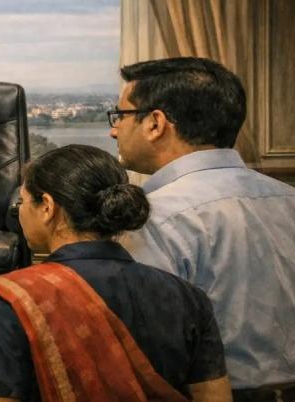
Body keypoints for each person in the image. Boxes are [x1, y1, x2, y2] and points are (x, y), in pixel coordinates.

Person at [0, 144, 230, 402]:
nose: (19, 212)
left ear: (47, 207)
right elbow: (214, 396)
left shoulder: (10, 302)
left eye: (22, 201)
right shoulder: (189, 299)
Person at [113, 57, 295, 401]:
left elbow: (153, 352)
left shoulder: (152, 218)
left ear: (155, 123)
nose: (113, 130)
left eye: (119, 116)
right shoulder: (288, 198)